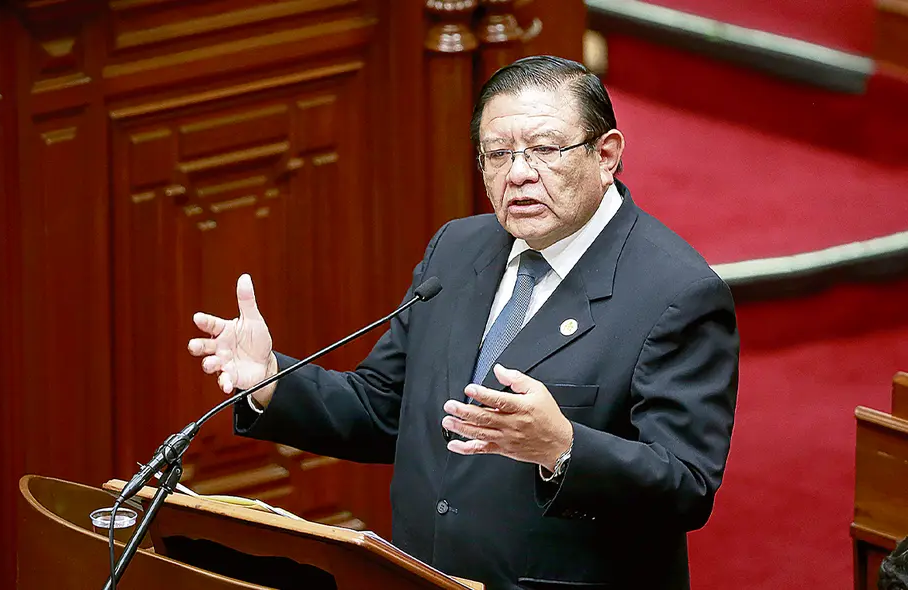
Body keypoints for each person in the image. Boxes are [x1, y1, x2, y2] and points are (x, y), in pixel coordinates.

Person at [188, 55, 739, 590]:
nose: (518, 174)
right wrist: (271, 380)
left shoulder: (676, 293)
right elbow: (385, 408)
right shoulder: (456, 248)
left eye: (545, 150)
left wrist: (563, 448)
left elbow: (686, 486)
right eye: (497, 154)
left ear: (606, 154)